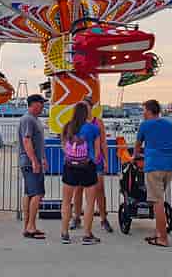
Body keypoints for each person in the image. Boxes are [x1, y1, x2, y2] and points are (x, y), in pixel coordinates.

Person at [134, 99, 172, 247]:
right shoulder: (169, 124)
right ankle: (158, 232)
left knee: (157, 202)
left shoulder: (145, 125)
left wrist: (135, 156)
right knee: (158, 199)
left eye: (144, 110)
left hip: (154, 166)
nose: (143, 113)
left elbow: (138, 145)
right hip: (169, 166)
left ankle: (163, 238)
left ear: (149, 111)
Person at [60, 102, 101, 245]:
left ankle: (65, 233)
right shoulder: (93, 128)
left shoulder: (67, 126)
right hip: (87, 167)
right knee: (89, 203)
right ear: (86, 113)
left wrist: (72, 157)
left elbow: (64, 147)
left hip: (70, 167)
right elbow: (97, 152)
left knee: (66, 201)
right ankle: (87, 235)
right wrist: (94, 161)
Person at [70, 96, 113, 233]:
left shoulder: (97, 122)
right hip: (80, 161)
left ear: (91, 107)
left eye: (86, 106)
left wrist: (106, 160)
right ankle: (77, 217)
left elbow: (103, 143)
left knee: (99, 190)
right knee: (78, 189)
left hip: (96, 161)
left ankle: (103, 218)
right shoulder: (77, 122)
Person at [18, 94, 48, 239]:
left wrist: (42, 158)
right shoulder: (28, 119)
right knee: (37, 193)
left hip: (32, 161)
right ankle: (30, 227)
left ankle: (28, 226)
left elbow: (37, 142)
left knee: (30, 193)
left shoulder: (34, 119)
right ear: (34, 104)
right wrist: (34, 161)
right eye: (41, 103)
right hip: (30, 162)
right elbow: (27, 140)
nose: (43, 106)